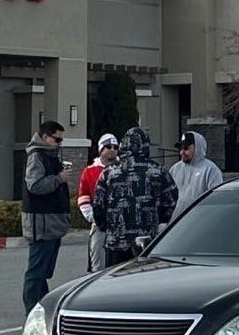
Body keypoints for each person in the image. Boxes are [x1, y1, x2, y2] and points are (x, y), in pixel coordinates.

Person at [93, 125, 178, 268]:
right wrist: (158, 218)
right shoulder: (158, 171)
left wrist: (107, 227)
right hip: (147, 241)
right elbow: (171, 200)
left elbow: (98, 205)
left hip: (116, 243)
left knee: (115, 283)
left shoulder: (109, 173)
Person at [21, 119, 72, 315]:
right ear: (45, 137)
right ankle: (32, 312)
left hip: (52, 221)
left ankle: (39, 310)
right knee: (36, 272)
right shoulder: (37, 156)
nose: (59, 143)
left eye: (61, 140)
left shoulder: (49, 155)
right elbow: (35, 185)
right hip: (41, 222)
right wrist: (59, 179)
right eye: (56, 139)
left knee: (42, 272)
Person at [77, 133, 119, 274]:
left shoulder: (124, 169)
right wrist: (92, 216)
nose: (112, 149)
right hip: (99, 223)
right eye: (108, 146)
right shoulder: (89, 171)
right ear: (101, 149)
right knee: (97, 259)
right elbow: (84, 197)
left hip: (121, 224)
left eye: (115, 147)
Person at [169, 131, 223, 219]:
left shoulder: (211, 170)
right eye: (180, 148)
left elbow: (216, 199)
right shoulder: (175, 169)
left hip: (199, 223)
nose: (182, 152)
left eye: (186, 148)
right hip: (176, 225)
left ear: (198, 148)